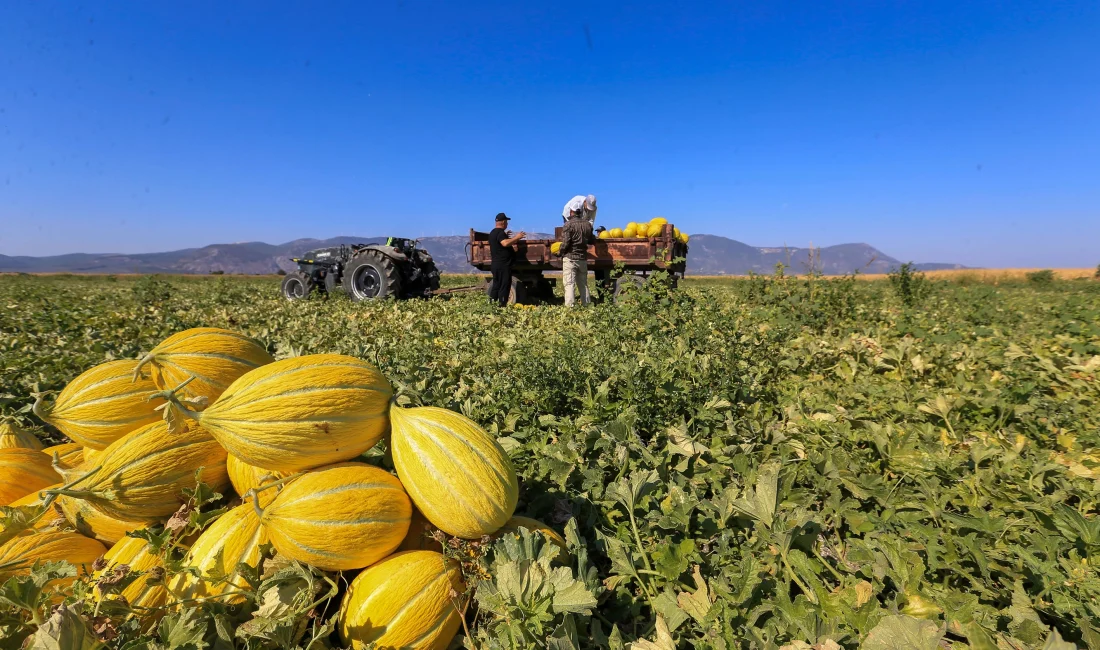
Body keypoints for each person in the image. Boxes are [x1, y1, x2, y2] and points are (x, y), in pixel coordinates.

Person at [487, 212, 525, 307]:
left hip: (496, 264)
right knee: (504, 285)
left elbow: (500, 244)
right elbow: (504, 243)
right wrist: (517, 237)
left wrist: (506, 236)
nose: (507, 224)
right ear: (503, 222)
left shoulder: (493, 232)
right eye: (506, 222)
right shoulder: (500, 233)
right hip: (503, 265)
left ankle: (491, 304)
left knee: (496, 285)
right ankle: (502, 305)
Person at [559, 211, 594, 306]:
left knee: (569, 284)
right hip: (582, 258)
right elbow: (592, 240)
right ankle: (587, 305)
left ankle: (570, 307)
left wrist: (560, 252)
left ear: (571, 212)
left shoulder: (568, 224)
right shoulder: (587, 224)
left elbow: (566, 243)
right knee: (583, 284)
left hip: (570, 258)